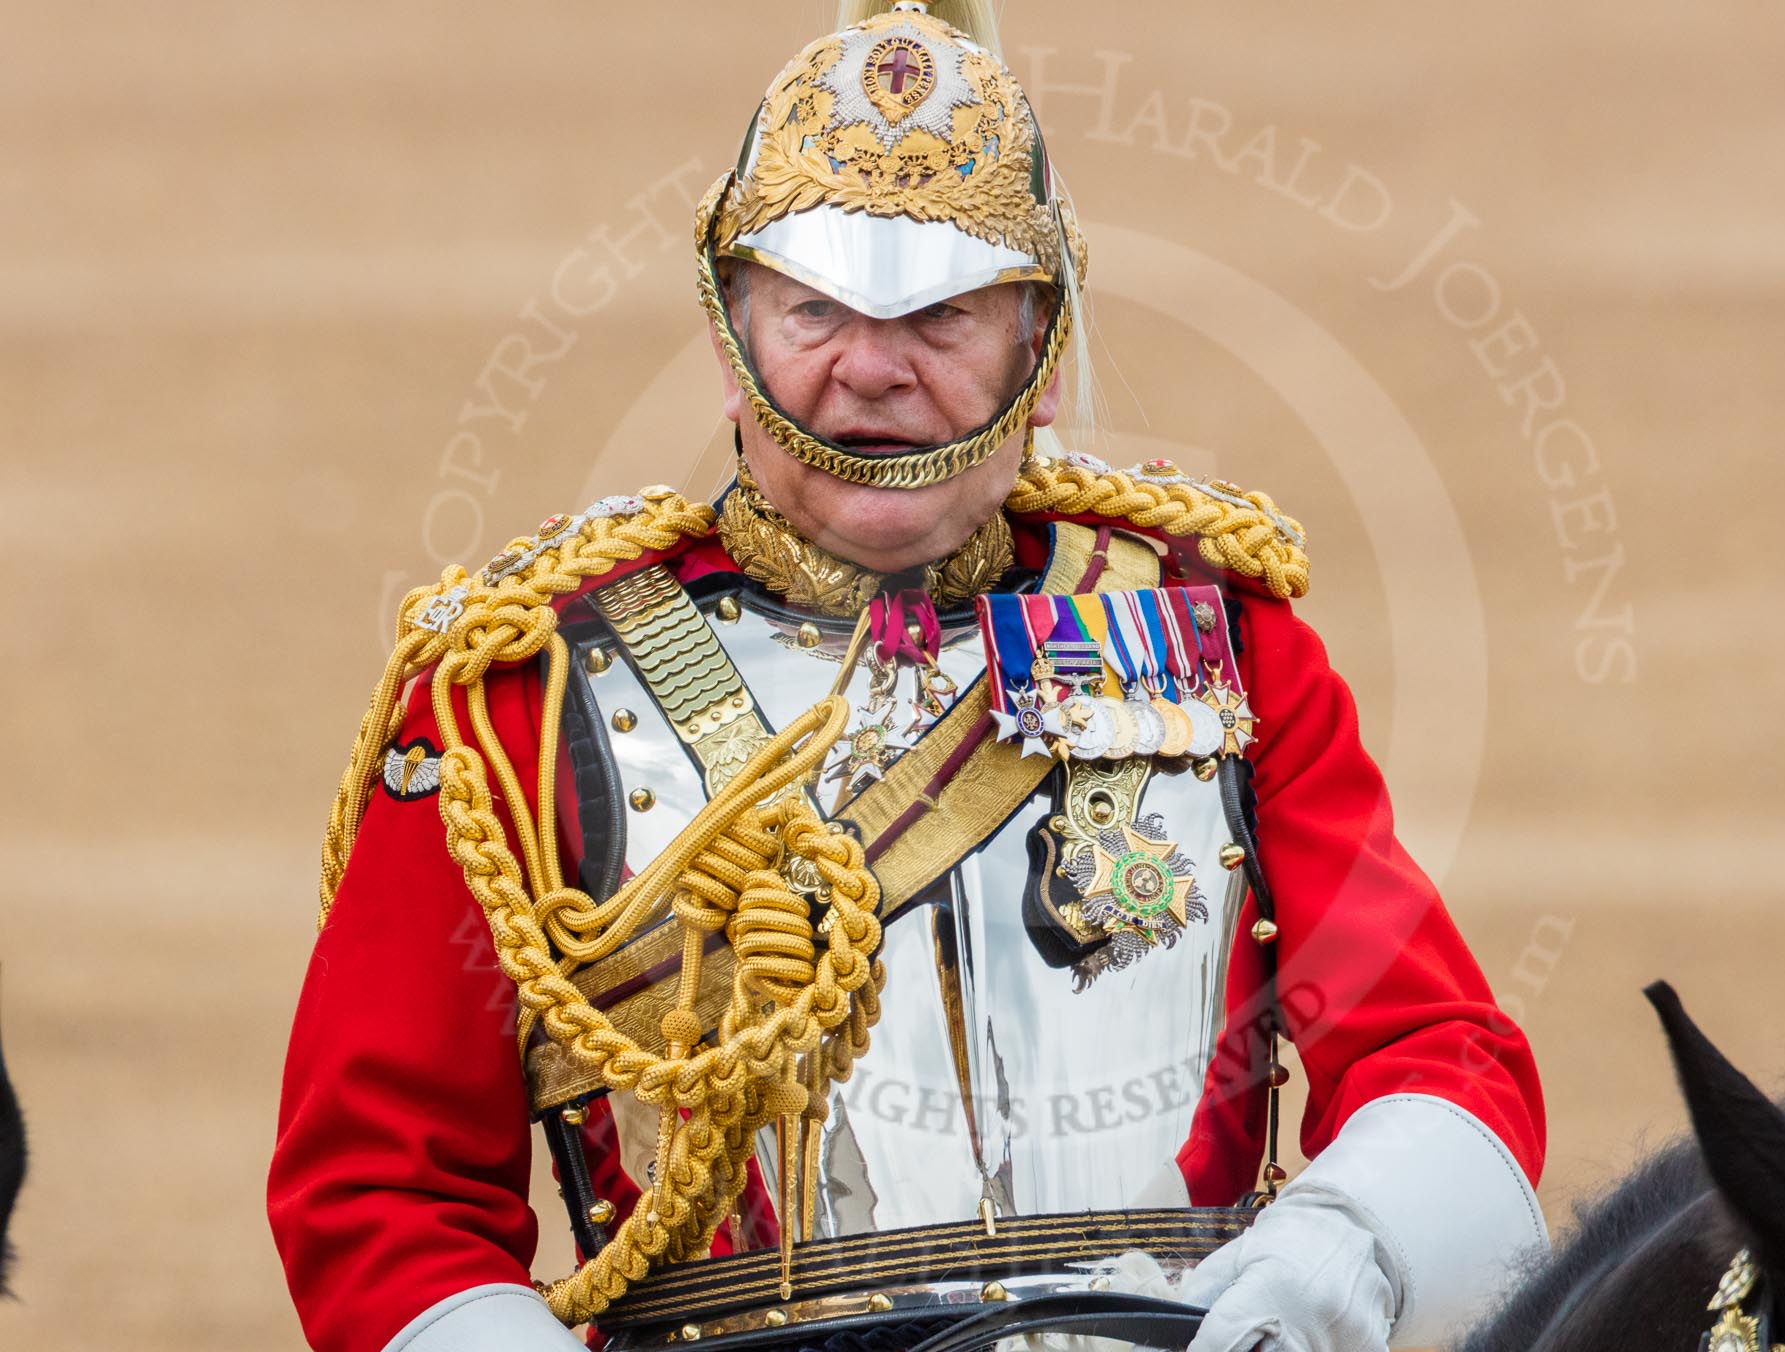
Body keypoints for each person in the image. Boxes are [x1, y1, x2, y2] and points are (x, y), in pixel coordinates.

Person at [269, 5, 1548, 1350]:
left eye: (941, 314)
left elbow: (1437, 1051)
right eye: (815, 308)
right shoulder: (517, 698)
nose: (872, 369)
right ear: (730, 336)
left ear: (1040, 350)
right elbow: (378, 1191)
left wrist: (1349, 1253)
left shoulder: (1218, 637)